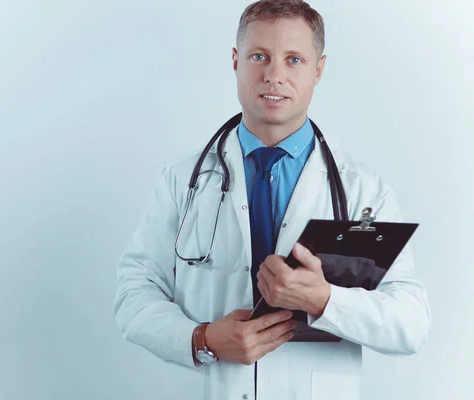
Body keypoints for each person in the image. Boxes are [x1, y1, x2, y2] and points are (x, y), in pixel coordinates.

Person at [113, 1, 431, 399]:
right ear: (235, 61)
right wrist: (202, 338)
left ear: (319, 70)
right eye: (259, 56)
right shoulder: (182, 181)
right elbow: (133, 293)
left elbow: (412, 323)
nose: (274, 75)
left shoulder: (363, 191)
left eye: (294, 59)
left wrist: (325, 300)